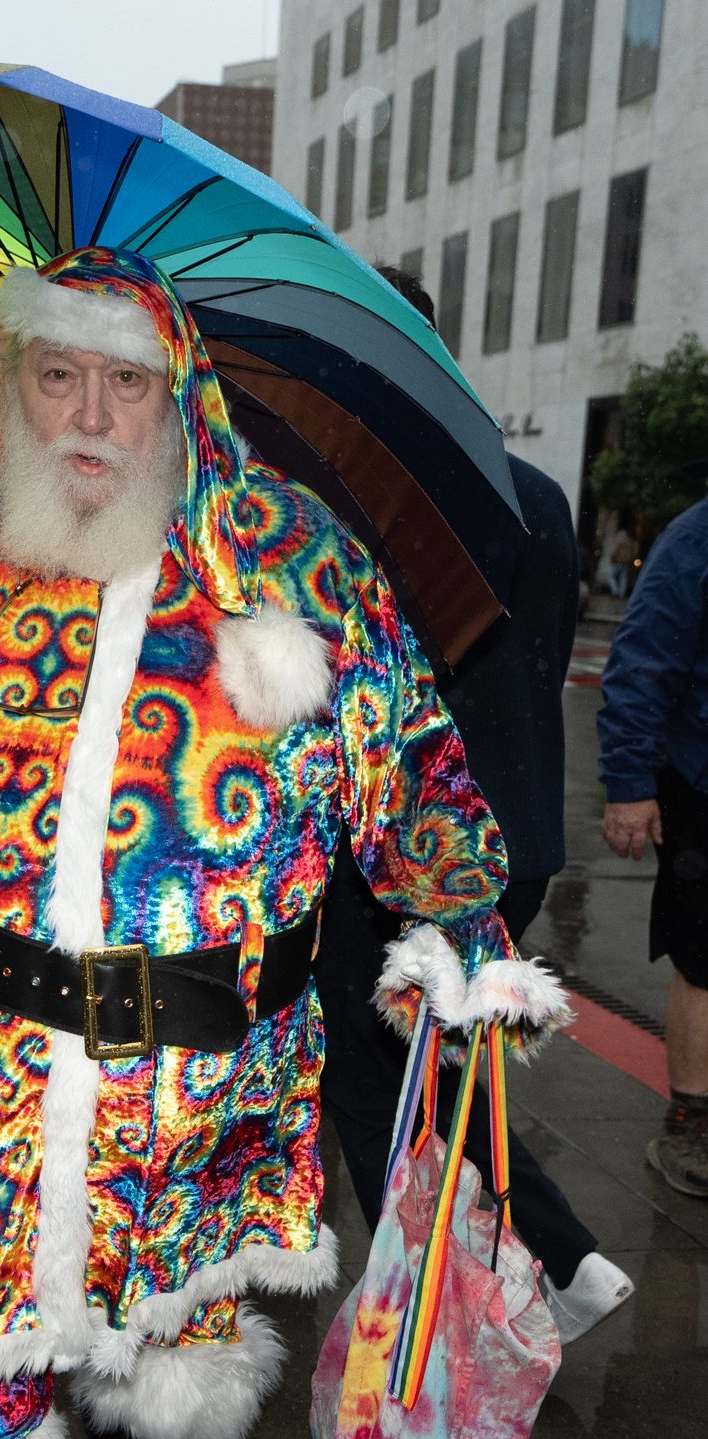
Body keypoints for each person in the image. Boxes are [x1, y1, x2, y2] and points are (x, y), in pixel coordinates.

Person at [0, 247, 569, 1439]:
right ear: (15, 386)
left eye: (125, 380)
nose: (90, 411)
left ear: (180, 394)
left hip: (219, 1055)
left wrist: (467, 946)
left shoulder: (298, 562)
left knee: (182, 1291)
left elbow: (413, 770)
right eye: (57, 372)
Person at [314, 266, 634, 1344]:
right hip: (522, 833)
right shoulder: (533, 490)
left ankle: (440, 1305)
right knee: (431, 1065)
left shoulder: (381, 498)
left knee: (370, 1079)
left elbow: (377, 703)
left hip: (409, 852)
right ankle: (564, 1256)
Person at [598, 484, 708, 1197]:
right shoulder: (695, 537)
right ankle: (690, 1122)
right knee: (703, 959)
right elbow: (639, 664)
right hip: (700, 782)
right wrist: (628, 785)